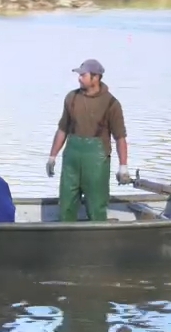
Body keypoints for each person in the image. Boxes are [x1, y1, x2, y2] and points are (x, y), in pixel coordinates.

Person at [45, 59, 131, 222]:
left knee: (96, 206)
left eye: (83, 75)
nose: (79, 78)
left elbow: (120, 137)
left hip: (97, 163)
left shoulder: (112, 104)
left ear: (96, 77)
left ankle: (98, 241)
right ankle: (64, 239)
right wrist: (52, 157)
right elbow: (62, 129)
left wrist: (123, 166)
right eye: (79, 75)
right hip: (71, 161)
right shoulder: (71, 98)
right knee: (66, 205)